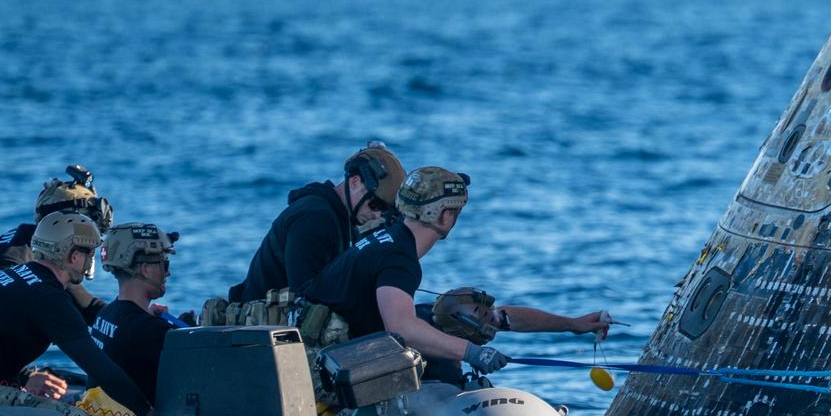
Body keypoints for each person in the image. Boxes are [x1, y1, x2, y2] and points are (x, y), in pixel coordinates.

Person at [0, 211, 152, 416]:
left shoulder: (14, 276)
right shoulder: (49, 298)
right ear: (73, 256)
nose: (89, 262)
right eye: (89, 254)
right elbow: (99, 367)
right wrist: (148, 413)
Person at [297, 166, 511, 378]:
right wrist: (471, 352)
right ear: (445, 216)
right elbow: (402, 329)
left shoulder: (385, 238)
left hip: (311, 355)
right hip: (320, 372)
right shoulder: (399, 259)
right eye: (456, 213)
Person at [228, 141, 404, 303]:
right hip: (262, 330)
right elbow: (306, 294)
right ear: (355, 182)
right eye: (375, 204)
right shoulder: (314, 218)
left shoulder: (342, 219)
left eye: (385, 210)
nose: (377, 215)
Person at [0, 165, 114, 323]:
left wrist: (132, 325)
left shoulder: (46, 254)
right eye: (84, 227)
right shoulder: (14, 261)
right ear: (62, 223)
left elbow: (88, 306)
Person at [420, 286, 614, 387]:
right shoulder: (436, 359)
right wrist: (473, 354)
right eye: (491, 321)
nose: (499, 321)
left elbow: (513, 318)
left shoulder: (444, 313)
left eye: (494, 314)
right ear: (465, 330)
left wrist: (574, 324)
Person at [91, 223, 182, 406]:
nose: (168, 273)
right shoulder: (152, 331)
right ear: (145, 269)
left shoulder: (105, 315)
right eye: (164, 264)